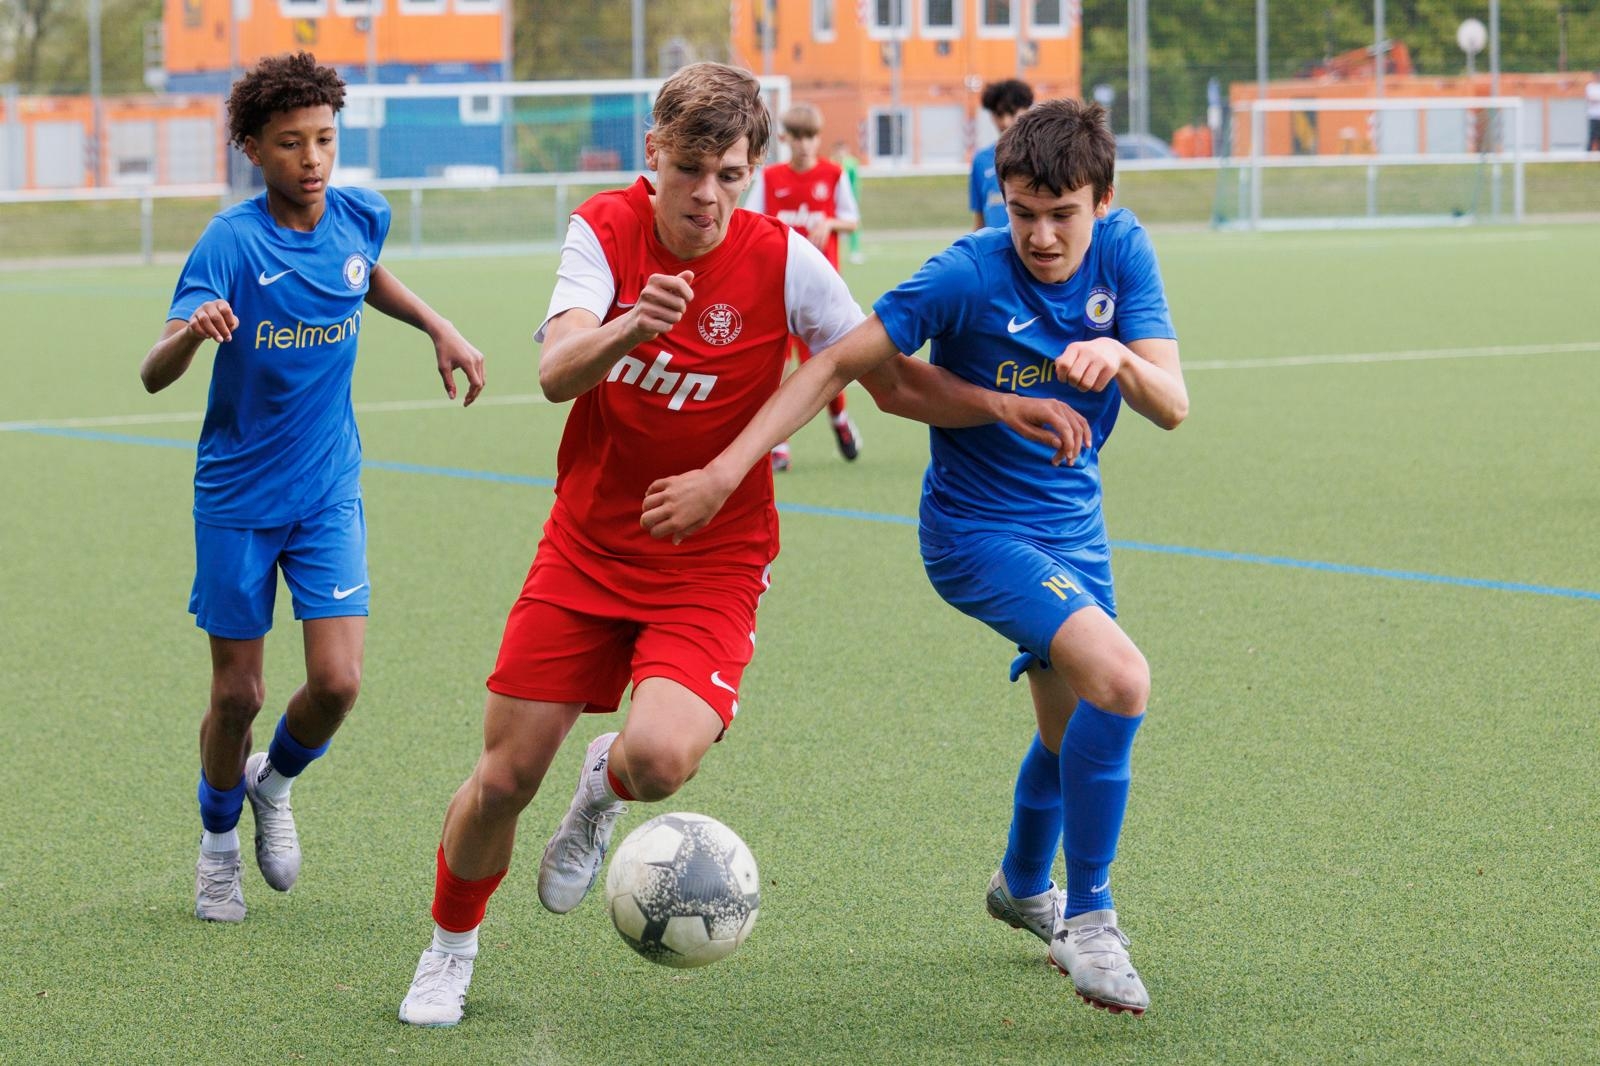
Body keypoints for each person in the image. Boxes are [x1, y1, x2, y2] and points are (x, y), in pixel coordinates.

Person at [395, 62, 1083, 1028]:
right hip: (587, 547)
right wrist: (631, 325)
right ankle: (450, 948)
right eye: (688, 170)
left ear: (750, 169)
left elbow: (890, 382)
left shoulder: (788, 260)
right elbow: (556, 372)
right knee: (504, 778)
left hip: (714, 562)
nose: (708, 196)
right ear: (653, 155)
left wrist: (1001, 405)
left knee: (659, 759)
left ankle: (602, 787)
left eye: (729, 175)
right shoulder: (603, 230)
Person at [641, 98, 1188, 1017]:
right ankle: (1091, 920)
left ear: (1103, 202)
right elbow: (835, 364)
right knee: (1123, 681)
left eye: (1063, 215)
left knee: (1072, 731)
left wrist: (1121, 360)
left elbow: (1172, 403)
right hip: (976, 533)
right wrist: (726, 472)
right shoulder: (967, 274)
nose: (1041, 236)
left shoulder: (1125, 251)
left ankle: (1023, 886)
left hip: (1074, 526)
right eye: (1022, 213)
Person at [139, 51, 487, 923]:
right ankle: (218, 842)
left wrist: (437, 324)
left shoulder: (362, 214)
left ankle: (273, 783)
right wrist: (191, 334)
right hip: (237, 497)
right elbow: (152, 372)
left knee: (337, 684)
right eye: (291, 142)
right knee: (238, 695)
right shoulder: (230, 242)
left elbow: (363, 275)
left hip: (327, 488)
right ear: (253, 149)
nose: (312, 158)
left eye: (324, 139)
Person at [746, 103, 863, 471]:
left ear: (818, 138)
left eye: (810, 136)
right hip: (776, 288)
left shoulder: (833, 175)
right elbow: (749, 220)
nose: (804, 144)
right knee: (775, 366)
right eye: (797, 137)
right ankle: (778, 445)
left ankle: (839, 420)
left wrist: (829, 223)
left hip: (820, 293)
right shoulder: (770, 178)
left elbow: (851, 219)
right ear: (785, 139)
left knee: (823, 364)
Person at [970, 79, 1034, 230]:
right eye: (999, 114)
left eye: (1012, 113)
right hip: (996, 244)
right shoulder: (981, 160)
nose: (1005, 122)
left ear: (1027, 111)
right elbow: (980, 218)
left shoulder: (1041, 155)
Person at [832, 138, 866, 265]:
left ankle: (854, 251)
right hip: (834, 200)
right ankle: (834, 252)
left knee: (854, 224)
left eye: (843, 150)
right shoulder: (831, 163)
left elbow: (855, 182)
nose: (840, 153)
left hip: (849, 199)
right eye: (838, 150)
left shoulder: (851, 164)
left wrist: (855, 197)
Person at [1587, 70, 1600, 152]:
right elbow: (1590, 98)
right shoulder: (1590, 86)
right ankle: (1588, 153)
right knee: (1592, 135)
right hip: (1593, 115)